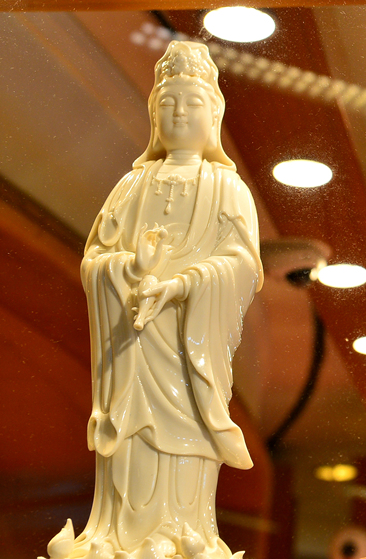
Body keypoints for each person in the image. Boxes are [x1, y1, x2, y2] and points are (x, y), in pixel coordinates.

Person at [47, 40, 263, 559]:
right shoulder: (131, 184)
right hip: (133, 342)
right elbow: (94, 260)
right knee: (127, 436)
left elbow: (242, 265)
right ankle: (115, 535)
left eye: (192, 102)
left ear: (213, 114)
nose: (179, 113)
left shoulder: (228, 188)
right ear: (152, 115)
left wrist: (181, 285)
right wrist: (129, 268)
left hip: (188, 348)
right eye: (168, 103)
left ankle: (184, 532)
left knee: (186, 428)